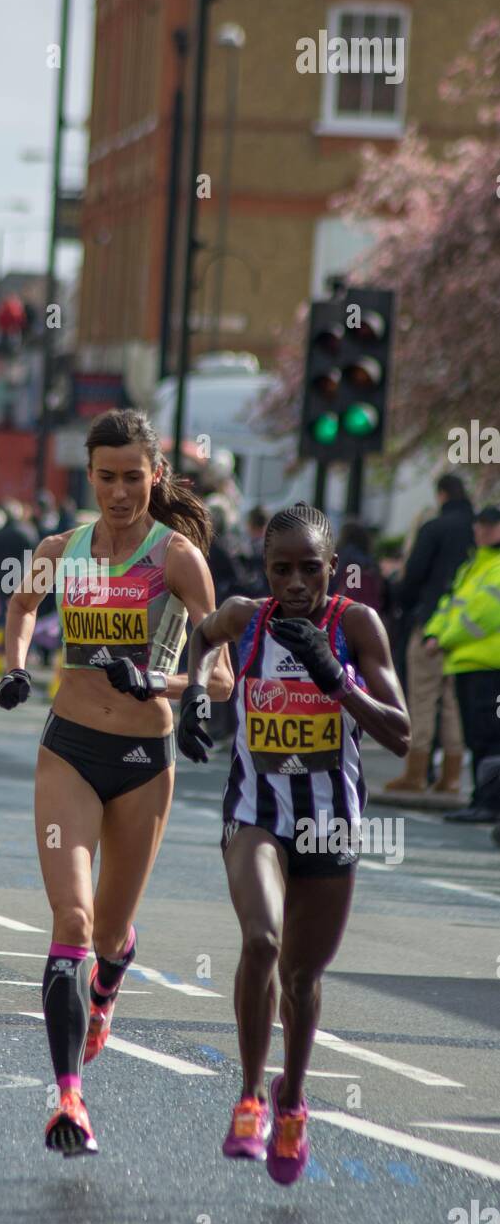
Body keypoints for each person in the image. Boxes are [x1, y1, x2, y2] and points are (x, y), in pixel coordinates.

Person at [0, 409, 234, 1156]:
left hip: (141, 766)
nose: (121, 492)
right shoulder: (59, 549)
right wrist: (15, 667)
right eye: (106, 478)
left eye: (134, 477)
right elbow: (21, 604)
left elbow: (221, 670)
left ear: (154, 476)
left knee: (105, 932)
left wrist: (172, 687)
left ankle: (108, 980)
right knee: (71, 921)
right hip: (67, 750)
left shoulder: (179, 558)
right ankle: (68, 1099)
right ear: (88, 476)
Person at [178, 502, 410, 1185]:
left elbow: (400, 733)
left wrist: (336, 681)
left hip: (329, 823)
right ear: (265, 570)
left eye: (309, 568)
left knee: (303, 978)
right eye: (280, 569)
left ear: (332, 568)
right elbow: (200, 636)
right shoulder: (247, 619)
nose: (295, 583)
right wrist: (195, 696)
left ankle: (292, 1099)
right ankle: (249, 1094)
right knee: (261, 943)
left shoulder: (354, 625)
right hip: (256, 812)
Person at [386, 474, 473, 794]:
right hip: (468, 629)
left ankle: (416, 773)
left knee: (423, 697)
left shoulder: (435, 528)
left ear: (441, 495)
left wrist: (404, 600)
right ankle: (451, 777)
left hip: (431, 623)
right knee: (452, 702)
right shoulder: (480, 530)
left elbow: (413, 578)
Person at [424, 505, 500, 824]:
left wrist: (444, 638)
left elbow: (483, 614)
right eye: (479, 525)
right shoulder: (473, 566)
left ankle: (489, 802)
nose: (481, 531)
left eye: (489, 526)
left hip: (489, 665)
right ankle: (480, 799)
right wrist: (433, 632)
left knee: (488, 736)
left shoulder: (495, 566)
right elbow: (449, 604)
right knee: (475, 736)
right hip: (466, 664)